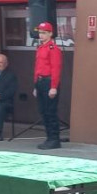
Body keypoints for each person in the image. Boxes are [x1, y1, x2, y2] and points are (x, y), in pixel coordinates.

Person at [32, 21, 63, 150]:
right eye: (40, 32)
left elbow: (56, 68)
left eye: (44, 33)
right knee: (43, 111)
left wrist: (54, 86)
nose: (41, 35)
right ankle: (49, 137)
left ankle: (54, 139)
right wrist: (35, 85)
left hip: (48, 82)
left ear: (50, 34)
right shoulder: (40, 48)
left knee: (50, 112)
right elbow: (37, 68)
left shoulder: (53, 49)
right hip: (40, 82)